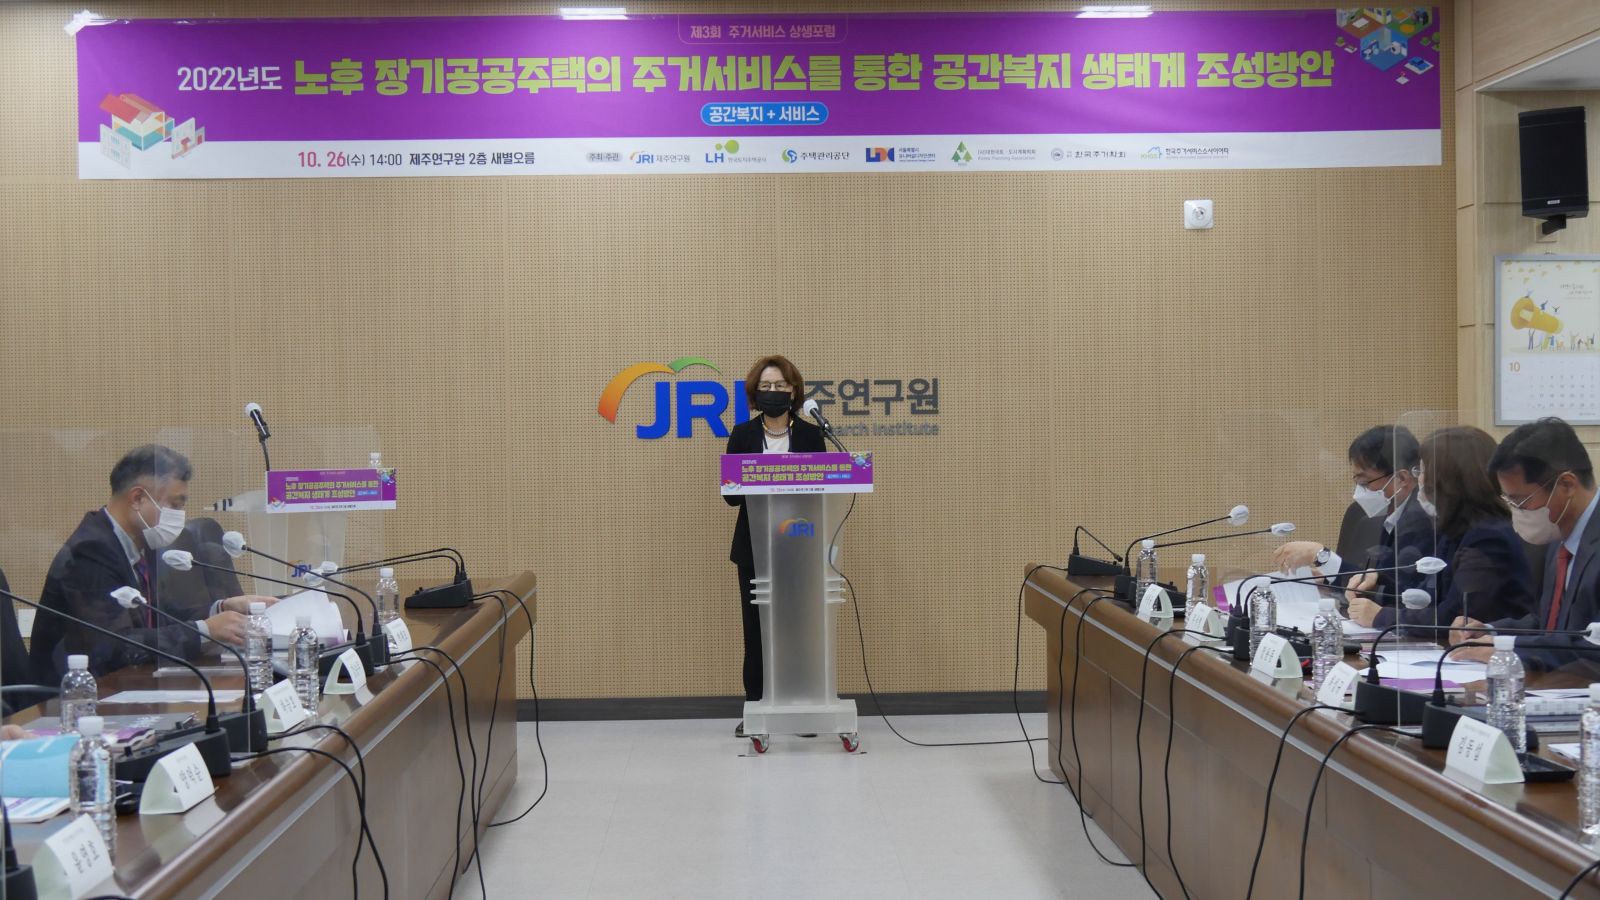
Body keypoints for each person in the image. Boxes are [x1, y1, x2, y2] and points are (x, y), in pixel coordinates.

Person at [29, 444, 276, 680]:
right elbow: (115, 646)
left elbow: (160, 617)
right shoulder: (91, 551)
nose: (180, 515)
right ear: (138, 498)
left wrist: (220, 609)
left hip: (126, 684)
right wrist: (205, 630)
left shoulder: (138, 544)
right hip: (72, 696)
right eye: (175, 504)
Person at [723, 355, 825, 738]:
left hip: (798, 545)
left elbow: (822, 493)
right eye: (765, 387)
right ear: (755, 393)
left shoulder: (812, 436)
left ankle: (799, 709)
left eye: (780, 386)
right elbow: (731, 497)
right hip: (754, 548)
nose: (773, 392)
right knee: (756, 631)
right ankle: (756, 709)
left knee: (797, 628)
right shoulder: (742, 435)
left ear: (793, 391)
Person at [1345, 426, 1535, 631]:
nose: (1418, 479)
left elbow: (1453, 616)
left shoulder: (1487, 538)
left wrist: (1381, 616)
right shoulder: (1454, 528)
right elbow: (1427, 594)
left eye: (1422, 471)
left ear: (1448, 480)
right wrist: (1379, 578)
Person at [1451, 418, 1600, 668]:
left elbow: (1593, 646)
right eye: (1509, 501)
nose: (1516, 511)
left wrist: (1508, 650)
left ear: (1567, 485)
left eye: (1520, 500)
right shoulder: (1559, 537)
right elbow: (1550, 626)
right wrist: (1490, 632)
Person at [1273, 424, 1433, 601]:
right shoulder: (1390, 515)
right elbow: (1375, 578)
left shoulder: (1421, 520)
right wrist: (1328, 578)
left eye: (1364, 482)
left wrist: (1320, 555)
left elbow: (1396, 592)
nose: (1359, 492)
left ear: (1401, 478)